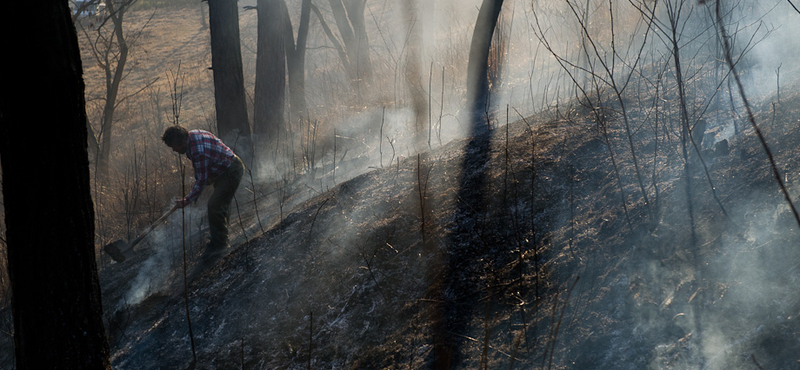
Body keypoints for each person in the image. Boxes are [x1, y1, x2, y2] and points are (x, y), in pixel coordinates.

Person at [162, 125, 245, 257]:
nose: (174, 150)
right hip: (224, 170)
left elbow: (201, 180)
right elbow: (205, 171)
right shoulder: (192, 135)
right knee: (220, 204)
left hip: (231, 170)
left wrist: (187, 200)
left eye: (174, 147)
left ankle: (220, 245)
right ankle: (220, 238)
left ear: (182, 141)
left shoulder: (197, 151)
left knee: (214, 205)